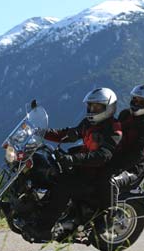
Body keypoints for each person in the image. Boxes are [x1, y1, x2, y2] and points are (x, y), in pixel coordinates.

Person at [31, 87, 122, 240]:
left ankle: (44, 228)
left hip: (97, 172)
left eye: (97, 106)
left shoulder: (113, 128)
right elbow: (69, 133)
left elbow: (103, 155)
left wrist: (74, 159)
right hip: (82, 166)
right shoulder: (88, 123)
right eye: (91, 106)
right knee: (46, 171)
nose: (92, 109)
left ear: (109, 107)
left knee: (63, 186)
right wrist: (41, 132)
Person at [110, 83, 144, 191]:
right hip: (117, 157)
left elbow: (137, 155)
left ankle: (110, 208)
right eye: (135, 99)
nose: (137, 103)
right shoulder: (126, 114)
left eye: (142, 102)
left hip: (133, 169)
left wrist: (114, 166)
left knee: (108, 181)